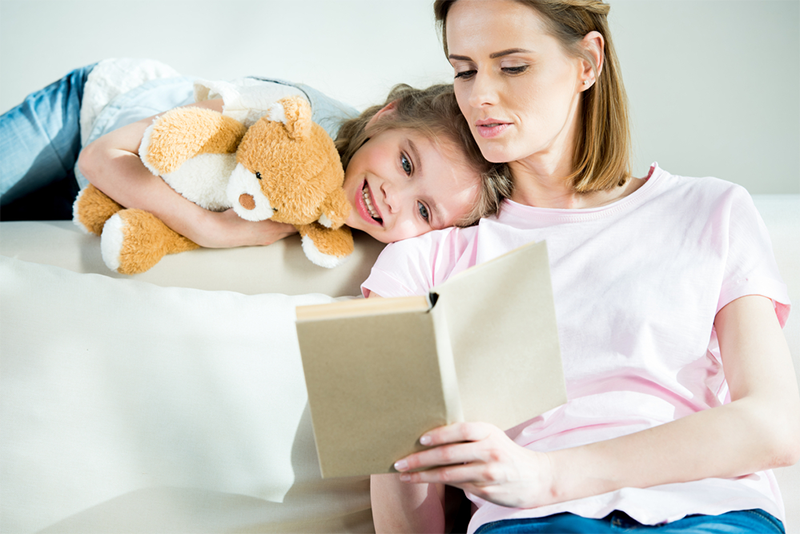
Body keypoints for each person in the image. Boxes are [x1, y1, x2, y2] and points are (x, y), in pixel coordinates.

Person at [364, 1, 800, 533]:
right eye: (464, 70)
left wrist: (548, 475)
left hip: (710, 512)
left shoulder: (712, 210)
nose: (479, 96)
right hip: (537, 524)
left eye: (513, 66)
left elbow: (776, 425)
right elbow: (404, 476)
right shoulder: (422, 260)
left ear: (587, 63)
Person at [0, 58, 513, 249]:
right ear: (386, 115)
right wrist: (211, 228)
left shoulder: (347, 226)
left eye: (424, 211)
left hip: (103, 191)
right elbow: (100, 156)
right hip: (90, 115)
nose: (393, 198)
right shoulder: (287, 119)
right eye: (406, 163)